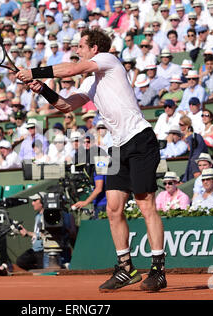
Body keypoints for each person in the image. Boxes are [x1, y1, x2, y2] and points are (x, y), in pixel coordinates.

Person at [16, 29, 166, 292]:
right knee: (113, 209)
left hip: (140, 139)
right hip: (117, 147)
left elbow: (72, 69)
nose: (78, 50)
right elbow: (65, 106)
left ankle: (158, 269)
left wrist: (35, 72)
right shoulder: (91, 83)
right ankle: (126, 268)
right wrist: (43, 90)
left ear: (95, 48)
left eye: (82, 46)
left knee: (145, 204)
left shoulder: (109, 60)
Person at [16, 192, 46, 271]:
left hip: (43, 250)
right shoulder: (37, 215)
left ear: (42, 202)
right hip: (35, 249)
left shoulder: (46, 215)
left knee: (43, 273)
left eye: (35, 200)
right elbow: (36, 233)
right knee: (20, 261)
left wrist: (28, 233)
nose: (32, 203)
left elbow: (44, 234)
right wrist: (26, 233)